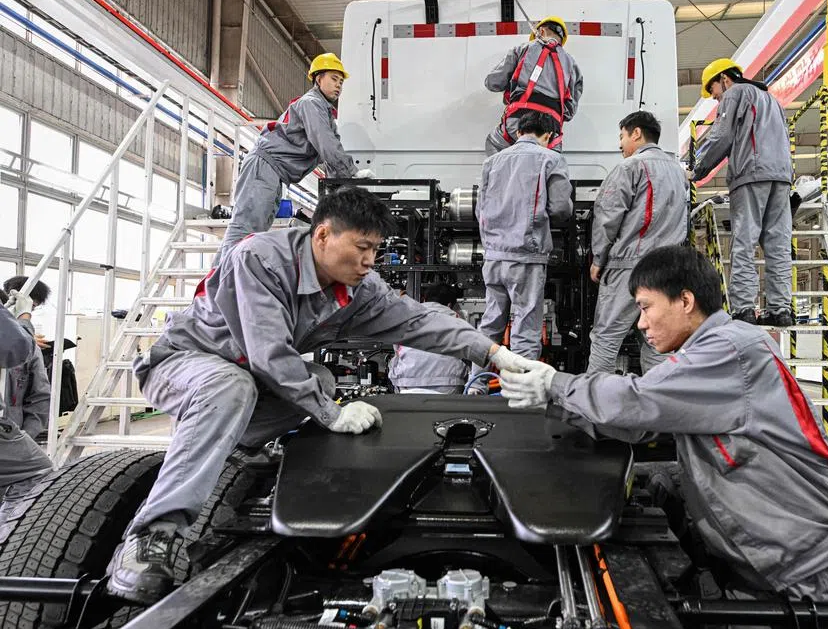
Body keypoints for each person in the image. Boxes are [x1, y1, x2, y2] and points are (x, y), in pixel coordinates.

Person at [108, 187, 533, 605]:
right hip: (187, 364)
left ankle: (239, 445)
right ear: (324, 235)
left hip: (246, 378)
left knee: (320, 381)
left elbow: (421, 321)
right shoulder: (260, 259)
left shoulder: (360, 290)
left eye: (375, 250)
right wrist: (331, 414)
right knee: (240, 387)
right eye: (362, 247)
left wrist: (495, 354)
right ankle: (151, 535)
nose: (370, 261)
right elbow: (269, 353)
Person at [500, 244, 828, 629]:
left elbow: (639, 400)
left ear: (685, 300)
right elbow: (638, 424)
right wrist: (553, 401)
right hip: (761, 570)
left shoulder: (731, 349)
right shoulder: (707, 354)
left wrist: (557, 383)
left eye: (646, 307)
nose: (641, 323)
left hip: (820, 565)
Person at [217, 52, 373, 263]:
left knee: (254, 233)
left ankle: (231, 277)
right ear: (319, 79)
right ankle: (221, 279)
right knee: (245, 229)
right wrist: (352, 174)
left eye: (341, 82)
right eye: (334, 79)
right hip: (264, 167)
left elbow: (330, 150)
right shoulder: (311, 104)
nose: (339, 85)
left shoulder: (324, 112)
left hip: (273, 173)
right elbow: (326, 143)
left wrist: (343, 187)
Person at [468, 111, 573, 391]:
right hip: (526, 254)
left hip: (493, 256)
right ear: (548, 135)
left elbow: (480, 210)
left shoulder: (492, 162)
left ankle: (475, 386)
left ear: (518, 133)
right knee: (525, 327)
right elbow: (561, 208)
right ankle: (518, 391)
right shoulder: (551, 159)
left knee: (490, 323)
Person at [691, 59, 794, 327]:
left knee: (744, 242)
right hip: (782, 177)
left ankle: (744, 309)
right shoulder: (772, 100)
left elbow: (721, 136)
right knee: (778, 244)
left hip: (751, 174)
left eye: (713, 90)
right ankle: (780, 310)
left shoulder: (735, 93)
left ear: (724, 79)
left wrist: (697, 171)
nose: (715, 97)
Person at [587, 110, 689, 375]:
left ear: (636, 133)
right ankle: (659, 396)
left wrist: (598, 259)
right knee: (658, 341)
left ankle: (596, 396)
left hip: (629, 267)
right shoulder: (678, 172)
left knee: (607, 336)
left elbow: (607, 217)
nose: (620, 144)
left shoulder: (629, 167)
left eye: (622, 136)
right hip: (667, 270)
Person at [484, 16, 583, 157]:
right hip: (550, 131)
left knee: (493, 143)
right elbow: (569, 112)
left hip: (517, 123)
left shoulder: (523, 49)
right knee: (552, 161)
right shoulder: (572, 65)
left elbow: (492, 83)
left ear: (541, 31)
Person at [0, 290, 54, 496]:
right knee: (38, 472)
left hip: (13, 432)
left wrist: (26, 438)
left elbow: (40, 397)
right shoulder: (23, 343)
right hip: (5, 438)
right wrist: (23, 320)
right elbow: (17, 345)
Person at [388, 283, 469, 394]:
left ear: (424, 300)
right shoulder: (458, 320)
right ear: (449, 305)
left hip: (407, 384)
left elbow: (397, 349)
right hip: (448, 385)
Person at [0, 277, 51, 442]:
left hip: (11, 436)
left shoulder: (30, 349)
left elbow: (40, 397)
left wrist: (24, 439)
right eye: (29, 307)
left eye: (31, 308)